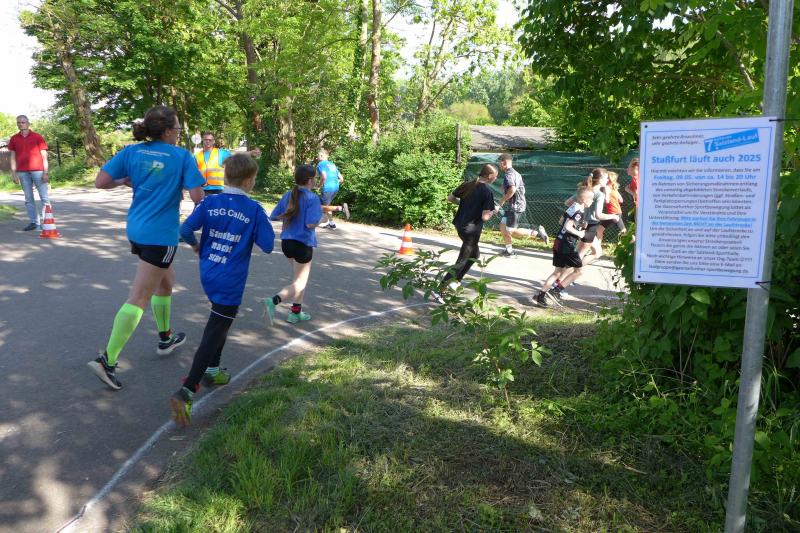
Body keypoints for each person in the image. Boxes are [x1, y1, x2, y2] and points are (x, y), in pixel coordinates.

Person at [88, 105, 205, 390]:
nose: (179, 133)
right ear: (167, 131)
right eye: (178, 129)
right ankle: (107, 360)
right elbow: (198, 196)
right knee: (139, 297)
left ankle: (165, 339)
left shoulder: (132, 151)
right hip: (160, 236)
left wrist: (125, 181)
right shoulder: (181, 156)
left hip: (137, 230)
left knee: (166, 282)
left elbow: (101, 181)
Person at [170, 153, 275, 426]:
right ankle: (187, 390)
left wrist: (196, 246)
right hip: (230, 279)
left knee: (222, 321)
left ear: (226, 177)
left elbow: (184, 229)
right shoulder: (253, 209)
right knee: (216, 329)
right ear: (249, 181)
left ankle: (213, 370)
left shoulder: (209, 202)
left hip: (209, 272)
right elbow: (268, 245)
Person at [262, 164, 323, 325]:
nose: (316, 181)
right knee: (300, 282)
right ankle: (274, 301)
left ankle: (295, 313)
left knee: (298, 279)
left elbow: (273, 216)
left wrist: (290, 216)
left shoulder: (289, 195)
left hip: (287, 243)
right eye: (315, 178)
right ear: (309, 180)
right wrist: (322, 220)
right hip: (303, 245)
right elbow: (310, 223)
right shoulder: (312, 198)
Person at [435, 164, 499, 299]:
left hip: (460, 226)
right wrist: (494, 211)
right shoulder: (487, 192)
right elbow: (485, 217)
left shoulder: (467, 184)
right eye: (495, 176)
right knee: (462, 260)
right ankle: (441, 290)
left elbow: (450, 198)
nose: (496, 179)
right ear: (489, 176)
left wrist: (465, 204)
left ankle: (456, 281)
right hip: (471, 231)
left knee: (475, 255)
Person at [534, 186, 594, 307]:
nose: (592, 201)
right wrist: (580, 233)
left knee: (557, 272)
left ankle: (541, 295)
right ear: (584, 200)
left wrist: (580, 225)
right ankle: (556, 291)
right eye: (591, 199)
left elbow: (561, 221)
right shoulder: (579, 212)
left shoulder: (573, 207)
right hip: (567, 245)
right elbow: (567, 226)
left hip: (559, 241)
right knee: (578, 271)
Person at [496, 152, 547, 256]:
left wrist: (501, 202)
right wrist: (504, 188)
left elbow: (513, 189)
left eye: (499, 163)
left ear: (503, 162)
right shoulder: (515, 173)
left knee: (511, 231)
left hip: (515, 206)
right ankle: (509, 250)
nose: (499, 166)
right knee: (502, 227)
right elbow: (519, 189)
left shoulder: (509, 174)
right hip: (514, 205)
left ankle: (537, 233)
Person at [8, 115, 50, 231]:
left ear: (28, 123)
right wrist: (14, 173)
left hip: (38, 171)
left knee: (44, 197)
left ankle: (47, 221)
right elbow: (12, 157)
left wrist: (45, 172)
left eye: (23, 122)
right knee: (28, 198)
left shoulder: (37, 137)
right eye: (19, 122)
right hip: (22, 172)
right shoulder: (14, 139)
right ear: (17, 124)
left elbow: (44, 155)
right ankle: (34, 222)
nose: (21, 124)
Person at [195, 131, 261, 195]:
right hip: (202, 189)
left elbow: (235, 156)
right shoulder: (197, 156)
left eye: (210, 140)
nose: (208, 141)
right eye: (206, 139)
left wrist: (250, 153)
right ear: (202, 140)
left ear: (213, 141)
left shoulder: (221, 153)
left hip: (218, 189)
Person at [316, 148, 350, 228]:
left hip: (328, 188)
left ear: (322, 155)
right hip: (336, 187)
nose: (317, 157)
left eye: (318, 156)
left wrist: (319, 186)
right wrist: (333, 181)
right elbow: (341, 179)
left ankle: (341, 208)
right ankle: (331, 224)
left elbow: (324, 176)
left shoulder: (321, 164)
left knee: (321, 205)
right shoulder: (332, 164)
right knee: (327, 205)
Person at [598, 170, 626, 240]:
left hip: (613, 213)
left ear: (609, 179)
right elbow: (621, 200)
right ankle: (598, 244)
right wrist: (614, 201)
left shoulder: (606, 188)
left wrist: (600, 198)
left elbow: (607, 200)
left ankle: (631, 239)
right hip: (618, 212)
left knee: (623, 231)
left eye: (606, 177)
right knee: (600, 229)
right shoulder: (614, 189)